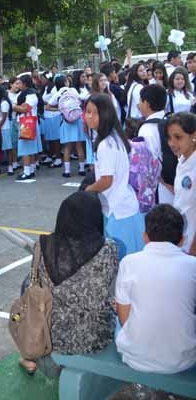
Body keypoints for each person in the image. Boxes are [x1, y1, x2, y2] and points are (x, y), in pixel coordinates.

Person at [19, 192, 118, 375]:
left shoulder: (43, 245)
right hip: (93, 338)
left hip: (49, 333)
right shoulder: (108, 249)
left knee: (27, 284)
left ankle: (29, 356)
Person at [115, 204, 196, 373]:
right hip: (183, 359)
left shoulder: (129, 263)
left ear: (145, 236)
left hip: (135, 356)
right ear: (182, 239)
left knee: (116, 321)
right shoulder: (193, 265)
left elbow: (123, 319)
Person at [84, 93, 145, 260]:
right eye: (87, 111)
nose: (89, 116)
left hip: (117, 212)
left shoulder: (105, 144)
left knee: (121, 262)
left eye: (95, 112)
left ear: (106, 114)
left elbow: (106, 181)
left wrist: (87, 190)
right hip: (125, 207)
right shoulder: (115, 137)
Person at [166, 112, 196, 255]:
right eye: (169, 137)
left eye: (178, 137)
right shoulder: (182, 160)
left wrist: (193, 251)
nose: (172, 143)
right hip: (182, 239)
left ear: (194, 135)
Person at [138, 84, 173, 205]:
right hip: (175, 181)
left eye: (140, 101)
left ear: (147, 103)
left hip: (161, 187)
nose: (139, 105)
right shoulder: (170, 120)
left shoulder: (146, 129)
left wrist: (166, 184)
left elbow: (150, 163)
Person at [48, 75, 85, 178]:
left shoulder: (57, 94)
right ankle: (82, 169)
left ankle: (67, 171)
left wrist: (60, 110)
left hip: (66, 121)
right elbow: (81, 100)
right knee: (79, 146)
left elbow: (48, 107)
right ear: (65, 82)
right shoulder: (73, 90)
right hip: (77, 120)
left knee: (67, 147)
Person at [14, 74, 42, 183]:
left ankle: (27, 172)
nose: (18, 85)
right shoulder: (25, 94)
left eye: (19, 83)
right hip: (28, 123)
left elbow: (25, 109)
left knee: (25, 148)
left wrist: (14, 106)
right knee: (30, 149)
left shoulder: (31, 95)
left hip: (27, 124)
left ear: (25, 84)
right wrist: (19, 106)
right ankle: (30, 169)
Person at [0, 84, 13, 176]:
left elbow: (4, 118)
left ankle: (10, 166)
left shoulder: (4, 103)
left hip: (4, 128)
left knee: (8, 148)